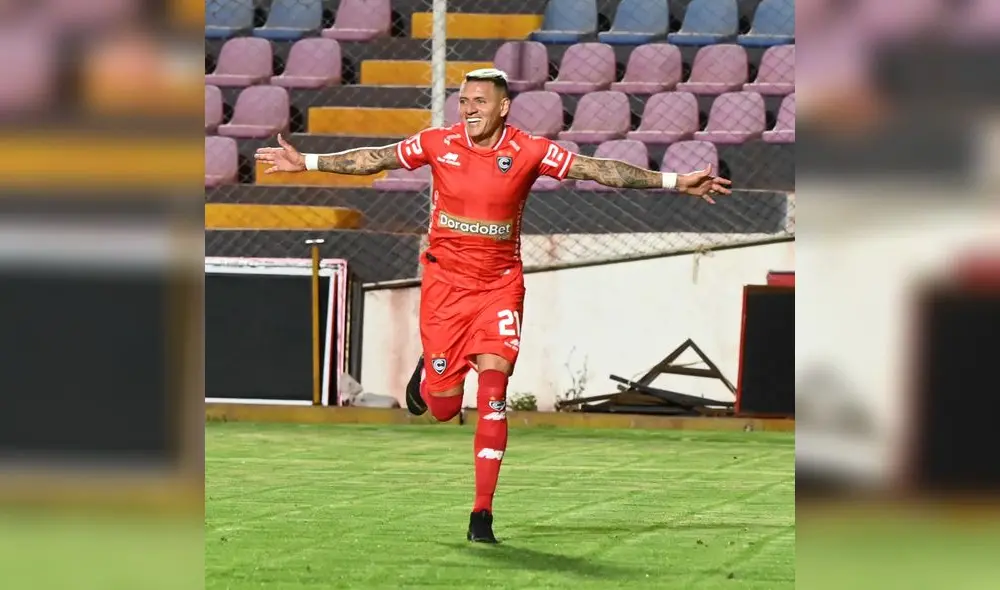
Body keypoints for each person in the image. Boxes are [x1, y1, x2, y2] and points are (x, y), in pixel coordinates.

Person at [254, 68, 732, 544]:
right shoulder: (437, 142)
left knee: (494, 390)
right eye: (464, 101)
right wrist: (310, 161)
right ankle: (431, 373)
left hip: (500, 287)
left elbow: (598, 169)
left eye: (480, 101)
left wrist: (674, 181)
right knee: (441, 409)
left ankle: (482, 514)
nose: (470, 109)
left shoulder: (528, 150)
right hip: (445, 288)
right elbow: (374, 158)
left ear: (503, 107)